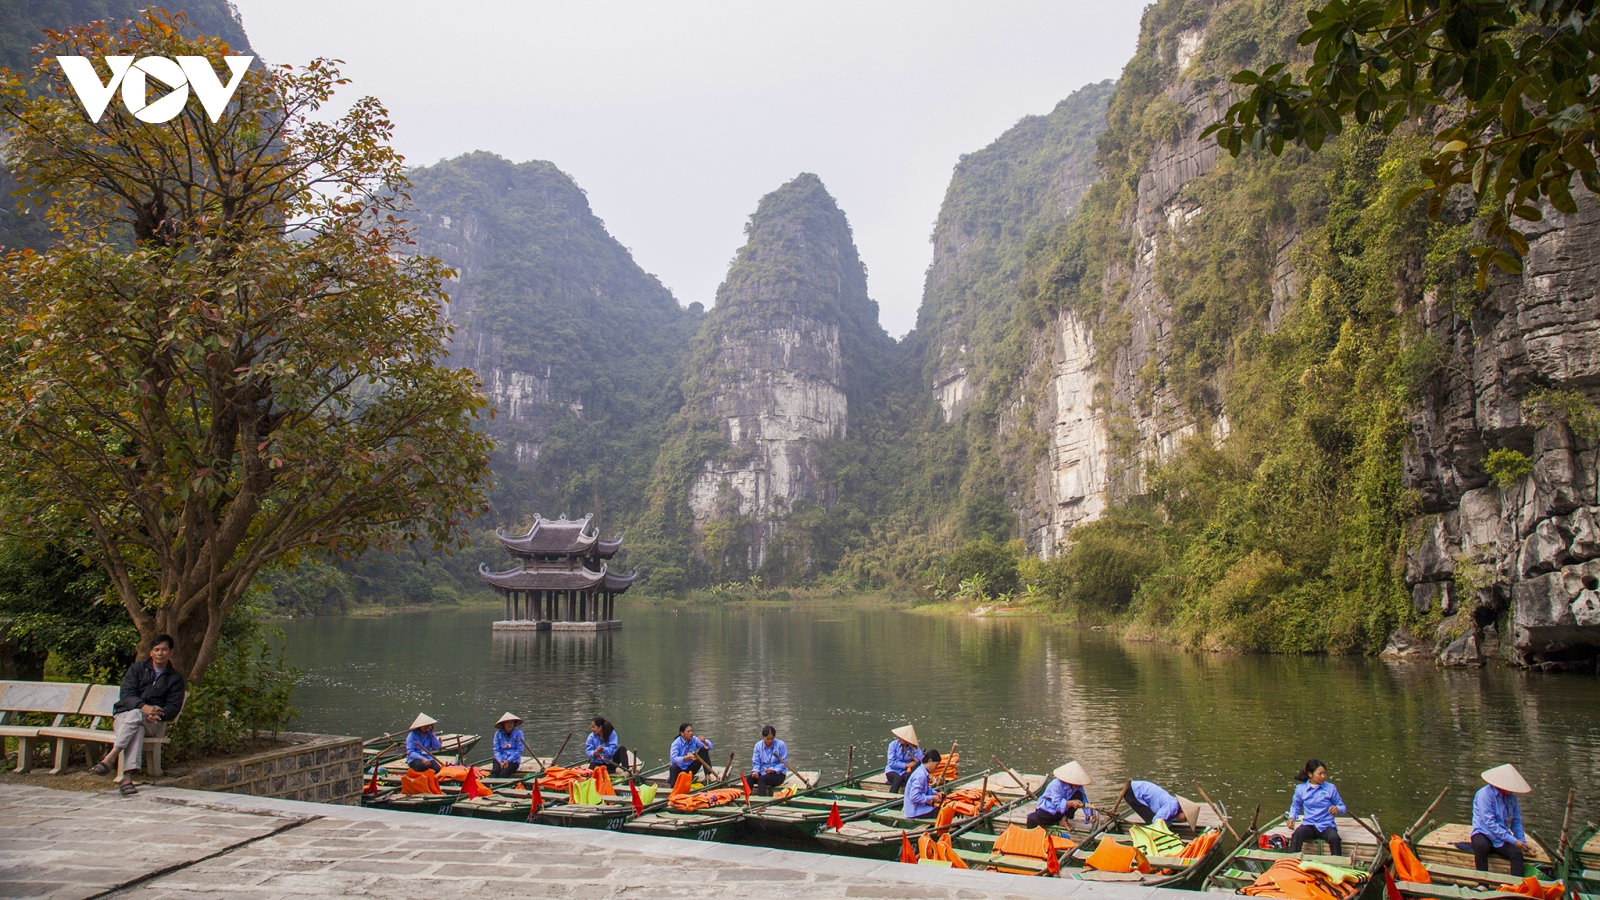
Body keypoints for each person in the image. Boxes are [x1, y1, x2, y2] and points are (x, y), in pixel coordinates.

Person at [89, 634, 185, 796]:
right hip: (125, 718)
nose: (160, 653)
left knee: (137, 717)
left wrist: (154, 713)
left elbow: (173, 707)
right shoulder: (137, 669)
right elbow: (126, 695)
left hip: (153, 722)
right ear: (150, 653)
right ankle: (127, 778)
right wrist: (143, 708)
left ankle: (110, 757)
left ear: (170, 652)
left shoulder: (175, 678)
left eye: (164, 650)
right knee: (136, 722)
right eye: (156, 650)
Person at [1472, 763, 1532, 874]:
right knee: (1481, 846)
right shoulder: (1484, 795)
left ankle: (1517, 887)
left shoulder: (1512, 798)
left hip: (1501, 837)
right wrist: (1514, 841)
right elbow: (1490, 823)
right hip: (1484, 832)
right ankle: (1482, 883)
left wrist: (1522, 843)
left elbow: (1516, 822)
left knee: (1516, 854)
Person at [1286, 758, 1346, 854]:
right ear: (1310, 774)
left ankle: (1336, 864)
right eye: (1320, 774)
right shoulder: (1301, 789)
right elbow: (1295, 806)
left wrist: (1337, 809)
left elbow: (1342, 807)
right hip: (1309, 824)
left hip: (1326, 825)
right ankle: (1292, 862)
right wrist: (1292, 818)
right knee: (1297, 834)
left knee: (1334, 838)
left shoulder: (1330, 788)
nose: (1323, 776)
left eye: (1324, 773)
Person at [1028, 761, 1095, 829]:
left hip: (1063, 813)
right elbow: (1057, 804)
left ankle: (1064, 819)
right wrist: (1070, 803)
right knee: (1032, 819)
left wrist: (1089, 815)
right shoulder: (1056, 784)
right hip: (1049, 810)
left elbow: (1084, 799)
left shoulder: (1078, 786)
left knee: (1079, 795)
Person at [1120, 780, 1200, 827]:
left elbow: (1167, 821)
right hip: (1133, 792)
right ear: (1183, 810)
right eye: (1185, 818)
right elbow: (1157, 820)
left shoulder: (1174, 809)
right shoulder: (1173, 805)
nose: (1183, 820)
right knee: (1151, 822)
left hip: (1137, 789)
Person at [903, 749, 946, 819]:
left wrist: (935, 793)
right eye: (936, 765)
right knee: (942, 811)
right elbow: (914, 797)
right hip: (914, 811)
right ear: (930, 761)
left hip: (919, 807)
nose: (936, 768)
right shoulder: (920, 775)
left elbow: (925, 788)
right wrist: (932, 798)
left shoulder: (922, 771)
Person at [750, 725, 789, 796]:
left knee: (762, 780)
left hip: (778, 774)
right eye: (767, 739)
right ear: (763, 737)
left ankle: (762, 801)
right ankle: (746, 799)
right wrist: (755, 771)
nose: (769, 741)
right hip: (763, 771)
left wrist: (773, 770)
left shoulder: (781, 745)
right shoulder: (758, 746)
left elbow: (784, 763)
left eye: (772, 739)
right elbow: (756, 762)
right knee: (750, 778)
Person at [885, 725, 923, 793]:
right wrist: (906, 765)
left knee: (910, 779)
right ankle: (890, 799)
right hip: (892, 770)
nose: (899, 738)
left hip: (904, 772)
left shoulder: (913, 747)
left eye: (901, 737)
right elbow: (891, 762)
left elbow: (920, 760)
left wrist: (914, 748)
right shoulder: (893, 745)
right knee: (898, 779)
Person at [491, 712, 525, 778]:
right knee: (495, 772)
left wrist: (508, 760)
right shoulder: (498, 734)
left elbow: (519, 750)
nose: (510, 725)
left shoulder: (519, 733)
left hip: (513, 760)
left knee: (504, 774)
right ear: (504, 724)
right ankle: (490, 786)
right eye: (508, 722)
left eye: (511, 722)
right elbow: (496, 749)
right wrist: (500, 760)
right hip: (500, 758)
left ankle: (500, 788)